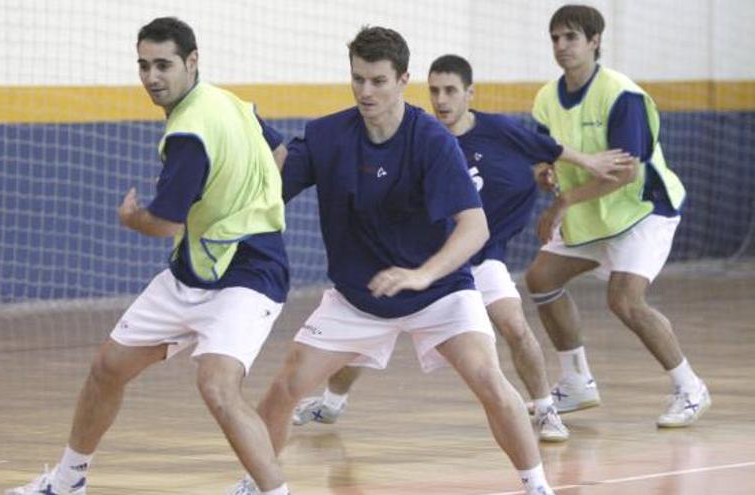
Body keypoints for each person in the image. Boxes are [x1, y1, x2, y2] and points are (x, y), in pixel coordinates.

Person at [232, 27, 556, 495]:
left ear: (403, 79)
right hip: (358, 298)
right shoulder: (328, 135)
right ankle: (255, 482)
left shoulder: (431, 140)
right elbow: (274, 183)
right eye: (358, 79)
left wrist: (423, 274)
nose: (366, 91)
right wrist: (251, 139)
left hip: (439, 293)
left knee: (488, 378)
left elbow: (475, 228)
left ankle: (536, 486)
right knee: (286, 386)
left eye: (378, 81)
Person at [7, 17, 294, 495]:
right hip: (192, 273)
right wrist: (248, 206)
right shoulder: (228, 102)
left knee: (218, 387)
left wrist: (132, 216)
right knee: (108, 368)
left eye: (163, 65)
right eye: (143, 65)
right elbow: (280, 151)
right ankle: (67, 481)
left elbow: (164, 223)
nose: (152, 77)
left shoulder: (190, 134)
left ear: (192, 62)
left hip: (248, 276)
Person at [292, 54, 633, 443]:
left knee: (514, 325)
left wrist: (587, 161)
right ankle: (333, 401)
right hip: (415, 262)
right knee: (360, 338)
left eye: (450, 90)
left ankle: (545, 408)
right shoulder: (414, 137)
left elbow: (546, 147)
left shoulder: (497, 130)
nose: (442, 99)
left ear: (469, 93)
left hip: (475, 260)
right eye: (434, 90)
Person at [525, 4, 710, 428]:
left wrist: (562, 202)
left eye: (571, 37)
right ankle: (576, 382)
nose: (561, 46)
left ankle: (690, 388)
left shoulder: (620, 94)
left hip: (642, 210)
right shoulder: (545, 98)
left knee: (624, 300)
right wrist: (544, 173)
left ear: (594, 41)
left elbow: (625, 173)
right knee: (540, 279)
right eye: (555, 38)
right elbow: (539, 157)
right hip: (591, 210)